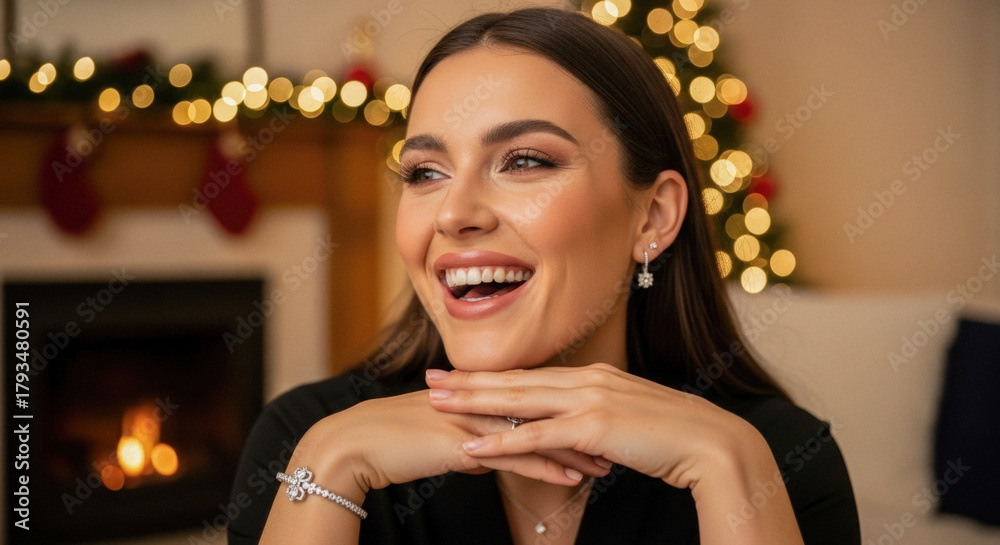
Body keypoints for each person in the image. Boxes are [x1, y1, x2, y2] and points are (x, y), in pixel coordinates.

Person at [227, 7, 860, 544]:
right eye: (425, 172)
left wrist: (729, 469)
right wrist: (330, 465)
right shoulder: (308, 440)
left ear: (654, 216)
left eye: (524, 161)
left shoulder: (773, 455)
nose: (453, 213)